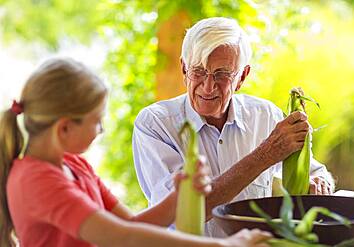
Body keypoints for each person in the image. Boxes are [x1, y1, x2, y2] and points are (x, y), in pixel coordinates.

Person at [0, 58, 271, 247]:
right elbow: (119, 238)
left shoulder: (74, 165)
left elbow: (131, 225)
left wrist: (178, 198)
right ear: (65, 128)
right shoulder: (37, 179)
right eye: (97, 120)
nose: (102, 129)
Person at [132, 17, 335, 237]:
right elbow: (183, 210)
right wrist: (267, 153)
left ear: (242, 77)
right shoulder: (155, 124)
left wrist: (319, 184)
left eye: (222, 74)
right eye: (198, 71)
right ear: (183, 69)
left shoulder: (265, 115)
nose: (208, 87)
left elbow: (317, 173)